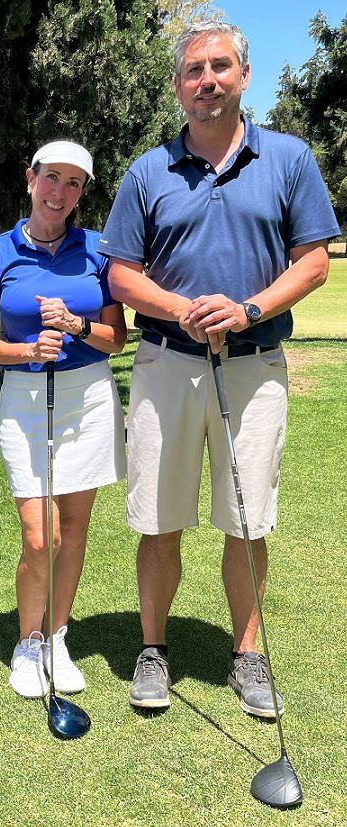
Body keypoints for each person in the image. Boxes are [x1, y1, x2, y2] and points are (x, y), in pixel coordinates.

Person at [100, 22, 339, 717]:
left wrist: (245, 308)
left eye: (219, 67)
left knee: (247, 518)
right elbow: (120, 274)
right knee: (157, 518)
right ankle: (151, 649)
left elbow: (313, 261)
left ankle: (247, 654)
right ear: (177, 85)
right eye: (193, 70)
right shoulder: (148, 170)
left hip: (253, 363)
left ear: (242, 75)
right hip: (166, 364)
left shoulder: (288, 159)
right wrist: (183, 309)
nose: (206, 79)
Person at [0, 141, 126, 698]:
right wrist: (27, 352)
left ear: (81, 194)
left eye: (74, 184)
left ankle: (58, 635)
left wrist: (77, 327)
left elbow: (116, 338)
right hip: (24, 398)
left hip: (87, 395)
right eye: (52, 178)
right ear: (30, 178)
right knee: (40, 537)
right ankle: (28, 640)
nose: (60, 192)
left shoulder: (99, 250)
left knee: (75, 529)